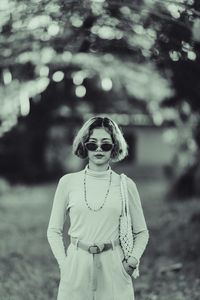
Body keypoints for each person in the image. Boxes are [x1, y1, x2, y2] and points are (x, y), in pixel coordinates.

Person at [47, 115, 149, 300]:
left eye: (106, 144)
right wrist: (65, 265)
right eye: (92, 144)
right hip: (76, 265)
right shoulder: (68, 183)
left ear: (115, 146)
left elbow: (141, 232)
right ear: (84, 146)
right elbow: (53, 230)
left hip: (114, 267)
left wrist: (132, 261)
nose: (99, 149)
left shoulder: (126, 185)